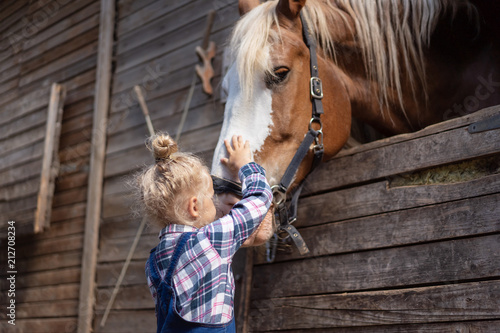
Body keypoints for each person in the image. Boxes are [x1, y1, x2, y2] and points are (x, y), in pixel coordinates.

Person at [135, 132, 272, 332]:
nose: (215, 202)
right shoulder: (211, 239)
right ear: (194, 207)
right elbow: (260, 198)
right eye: (210, 196)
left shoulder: (153, 262)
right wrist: (245, 165)